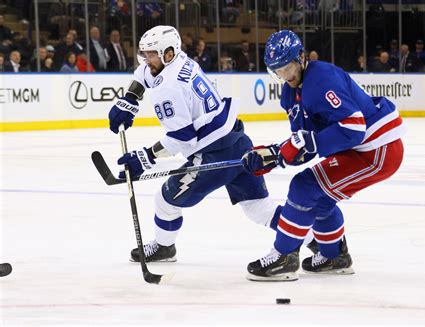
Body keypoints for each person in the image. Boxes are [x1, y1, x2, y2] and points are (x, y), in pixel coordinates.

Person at [107, 26, 283, 263]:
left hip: (214, 154)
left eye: (151, 54)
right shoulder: (178, 60)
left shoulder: (168, 88)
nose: (146, 59)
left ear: (168, 53)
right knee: (260, 209)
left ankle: (164, 247)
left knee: (165, 201)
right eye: (145, 53)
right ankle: (324, 243)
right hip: (237, 141)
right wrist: (130, 98)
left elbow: (182, 138)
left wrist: (145, 156)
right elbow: (143, 73)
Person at [242, 30, 406, 281]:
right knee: (318, 198)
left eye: (287, 67)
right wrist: (274, 156)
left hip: (378, 149)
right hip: (360, 148)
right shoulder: (289, 93)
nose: (285, 76)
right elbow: (303, 144)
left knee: (305, 186)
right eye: (278, 71)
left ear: (301, 57)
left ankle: (284, 256)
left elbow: (353, 127)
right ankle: (333, 256)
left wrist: (305, 144)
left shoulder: (322, 78)